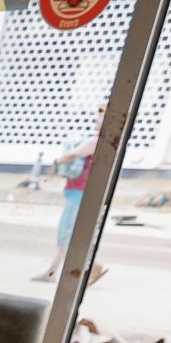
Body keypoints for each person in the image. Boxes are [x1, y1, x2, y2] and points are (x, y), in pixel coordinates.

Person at [34, 111, 109, 284]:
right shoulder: (99, 140)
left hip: (79, 194)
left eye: (102, 116)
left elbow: (72, 155)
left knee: (67, 235)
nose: (98, 120)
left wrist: (57, 162)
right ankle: (51, 273)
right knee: (69, 235)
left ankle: (92, 266)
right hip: (81, 193)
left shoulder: (95, 140)